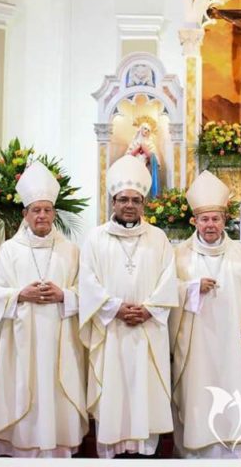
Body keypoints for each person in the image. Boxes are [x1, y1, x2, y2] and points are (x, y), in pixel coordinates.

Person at [0, 161, 87, 457]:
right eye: (36, 210)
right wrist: (20, 294)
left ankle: (59, 449)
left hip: (60, 337)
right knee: (22, 387)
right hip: (21, 339)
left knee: (56, 387)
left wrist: (63, 294)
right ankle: (20, 449)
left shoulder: (71, 250)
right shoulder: (9, 250)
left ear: (54, 213)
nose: (42, 215)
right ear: (25, 214)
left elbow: (85, 292)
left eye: (47, 210)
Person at [79, 154, 177, 458]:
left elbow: (169, 278)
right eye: (124, 199)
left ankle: (145, 449)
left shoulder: (158, 238)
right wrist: (116, 308)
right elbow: (88, 281)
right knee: (114, 388)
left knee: (144, 389)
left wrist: (149, 308)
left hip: (147, 329)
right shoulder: (95, 239)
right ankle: (113, 448)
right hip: (112, 330)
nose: (130, 205)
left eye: (136, 199)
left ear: (144, 203)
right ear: (113, 201)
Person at [170, 170, 241, 458]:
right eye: (204, 219)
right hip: (194, 345)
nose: (210, 224)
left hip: (231, 347)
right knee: (195, 399)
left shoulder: (238, 253)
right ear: (194, 221)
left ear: (225, 220)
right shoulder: (180, 255)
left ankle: (231, 456)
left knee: (232, 398)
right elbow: (167, 291)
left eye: (215, 218)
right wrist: (191, 288)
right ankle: (193, 457)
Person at [126, 122, 160, 197]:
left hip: (146, 171)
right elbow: (127, 158)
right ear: (140, 129)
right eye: (145, 128)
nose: (146, 131)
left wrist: (145, 149)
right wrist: (138, 148)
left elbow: (154, 160)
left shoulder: (151, 144)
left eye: (148, 130)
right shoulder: (133, 143)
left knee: (144, 193)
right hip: (133, 172)